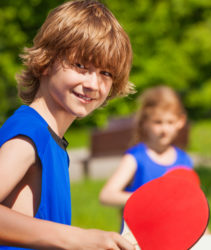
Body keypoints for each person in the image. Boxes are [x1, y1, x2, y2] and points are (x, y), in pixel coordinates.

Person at [0, 0, 135, 249]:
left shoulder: (53, 142)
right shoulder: (30, 134)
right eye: (81, 66)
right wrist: (79, 238)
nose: (93, 84)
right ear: (46, 61)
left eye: (106, 73)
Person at [99, 86, 193, 209]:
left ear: (180, 121)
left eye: (170, 122)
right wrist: (148, 198)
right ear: (145, 122)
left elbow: (190, 205)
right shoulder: (136, 157)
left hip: (169, 227)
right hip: (139, 227)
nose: (164, 129)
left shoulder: (185, 160)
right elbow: (106, 195)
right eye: (158, 122)